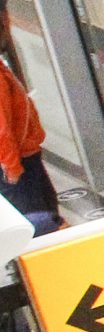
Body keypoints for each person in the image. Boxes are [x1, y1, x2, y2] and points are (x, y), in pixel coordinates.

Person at [0, 55, 60, 233]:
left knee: (44, 211)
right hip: (16, 162)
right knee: (37, 219)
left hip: (23, 155)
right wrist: (11, 166)